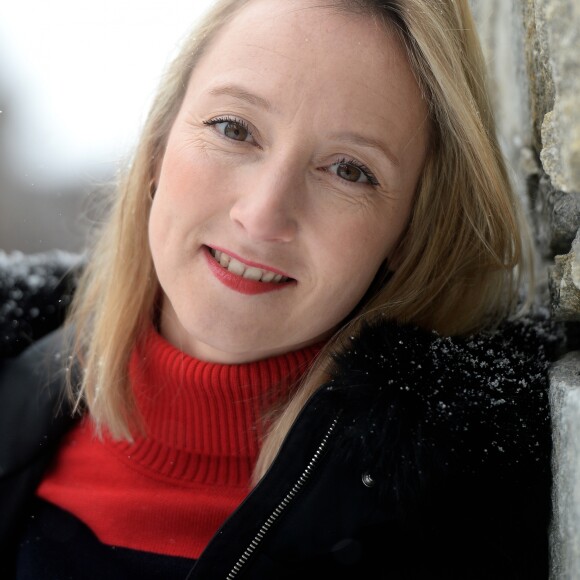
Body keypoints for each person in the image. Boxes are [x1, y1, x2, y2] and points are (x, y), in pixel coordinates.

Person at [0, 0, 563, 578]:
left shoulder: (452, 528)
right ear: (158, 146)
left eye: (348, 169)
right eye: (234, 129)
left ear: (411, 229)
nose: (263, 215)